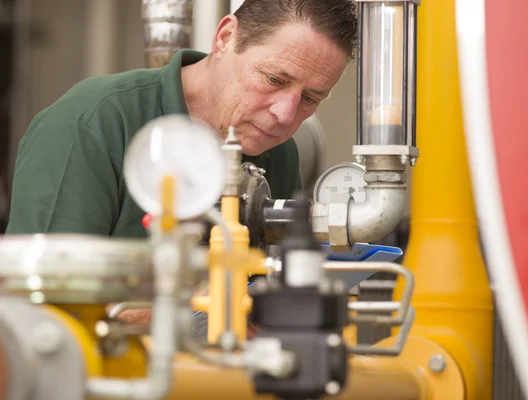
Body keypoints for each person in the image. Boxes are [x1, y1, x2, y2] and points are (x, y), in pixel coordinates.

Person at [5, 0, 358, 324]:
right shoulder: (90, 124)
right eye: (274, 79)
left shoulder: (279, 151)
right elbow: (40, 317)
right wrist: (194, 306)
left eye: (310, 98)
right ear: (225, 38)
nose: (285, 115)